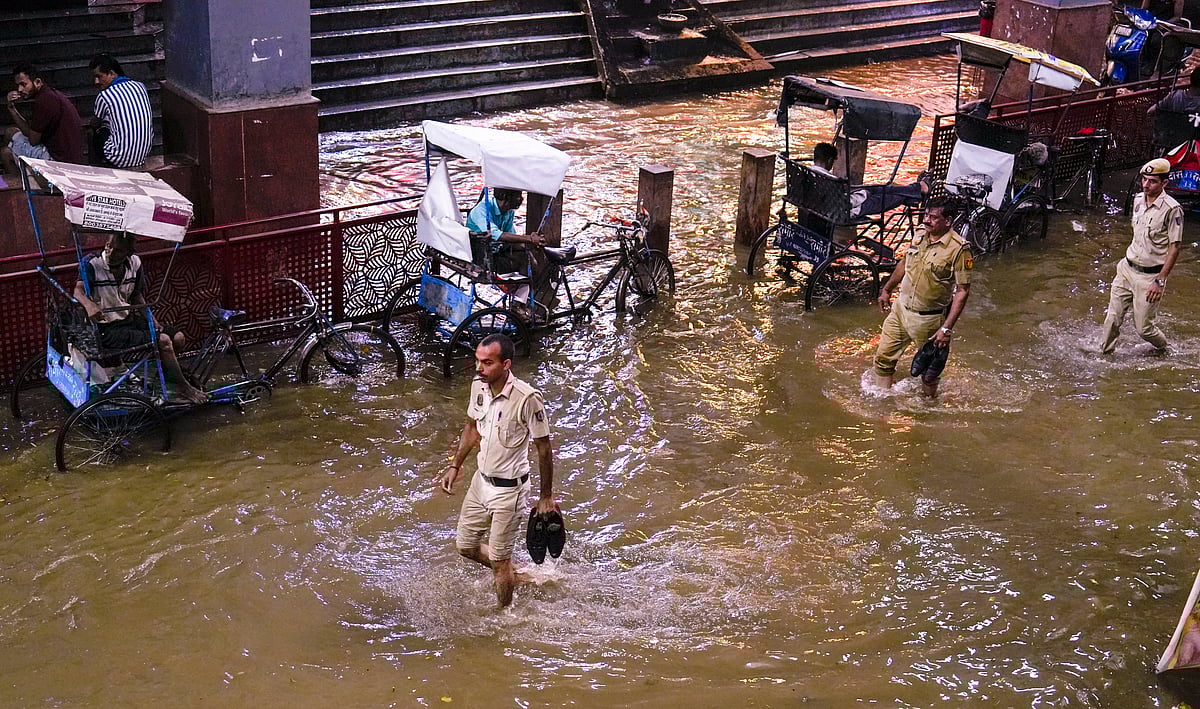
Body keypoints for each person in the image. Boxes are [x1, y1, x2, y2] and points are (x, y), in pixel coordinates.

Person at [440, 333, 558, 608]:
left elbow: (544, 448)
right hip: (480, 483)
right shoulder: (478, 387)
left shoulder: (528, 399)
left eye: (487, 362)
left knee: (499, 560)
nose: (480, 368)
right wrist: (455, 466)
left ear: (506, 365)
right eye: (478, 361)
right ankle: (514, 574)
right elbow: (471, 428)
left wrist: (545, 497)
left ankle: (504, 616)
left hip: (510, 491)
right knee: (466, 546)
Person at [73, 233, 207, 404]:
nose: (111, 251)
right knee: (164, 341)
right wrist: (89, 305)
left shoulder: (135, 263)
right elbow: (78, 291)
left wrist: (152, 321)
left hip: (127, 321)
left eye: (119, 250)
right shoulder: (92, 263)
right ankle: (184, 388)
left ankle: (165, 380)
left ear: (128, 252)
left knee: (178, 338)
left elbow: (137, 296)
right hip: (106, 329)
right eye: (109, 246)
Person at [873, 196, 973, 397]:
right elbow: (904, 263)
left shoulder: (959, 249)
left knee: (929, 372)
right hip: (900, 310)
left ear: (948, 221)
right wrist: (887, 289)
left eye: (934, 217)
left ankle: (928, 407)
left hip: (928, 319)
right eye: (926, 215)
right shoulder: (919, 234)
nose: (926, 220)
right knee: (883, 358)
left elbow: (962, 291)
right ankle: (880, 404)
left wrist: (946, 329)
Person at [1099, 158, 1184, 354]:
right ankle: (1104, 355)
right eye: (1144, 179)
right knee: (1112, 318)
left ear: (1164, 183)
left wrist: (1160, 280)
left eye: (1152, 181)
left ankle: (1166, 349)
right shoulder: (1138, 199)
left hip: (1150, 277)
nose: (1146, 185)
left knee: (1144, 329)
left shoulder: (1172, 209)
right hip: (1127, 268)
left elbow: (1175, 247)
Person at [466, 187, 555, 315]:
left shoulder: (508, 212)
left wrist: (529, 243)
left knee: (531, 262)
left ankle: (519, 300)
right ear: (507, 198)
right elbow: (497, 235)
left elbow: (510, 235)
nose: (521, 199)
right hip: (481, 257)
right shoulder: (482, 210)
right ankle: (518, 303)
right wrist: (529, 239)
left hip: (496, 251)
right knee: (526, 263)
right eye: (518, 196)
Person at [1, 63, 84, 175]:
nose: (19, 89)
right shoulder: (49, 94)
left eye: (23, 84)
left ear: (37, 82)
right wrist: (12, 108)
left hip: (59, 161)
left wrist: (11, 108)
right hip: (66, 155)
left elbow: (33, 140)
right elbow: (32, 133)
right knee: (10, 132)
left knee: (5, 153)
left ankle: (22, 185)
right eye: (18, 85)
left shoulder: (44, 101)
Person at [811, 142, 930, 218]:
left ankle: (917, 190)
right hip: (848, 211)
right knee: (891, 197)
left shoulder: (808, 173)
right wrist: (863, 194)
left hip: (835, 204)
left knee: (877, 188)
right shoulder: (831, 181)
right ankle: (917, 192)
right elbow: (846, 204)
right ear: (829, 160)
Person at [88, 54, 152, 169]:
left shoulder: (105, 95)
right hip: (142, 155)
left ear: (112, 74)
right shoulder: (140, 87)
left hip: (117, 158)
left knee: (95, 131)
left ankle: (97, 168)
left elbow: (95, 122)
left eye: (99, 76)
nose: (96, 82)